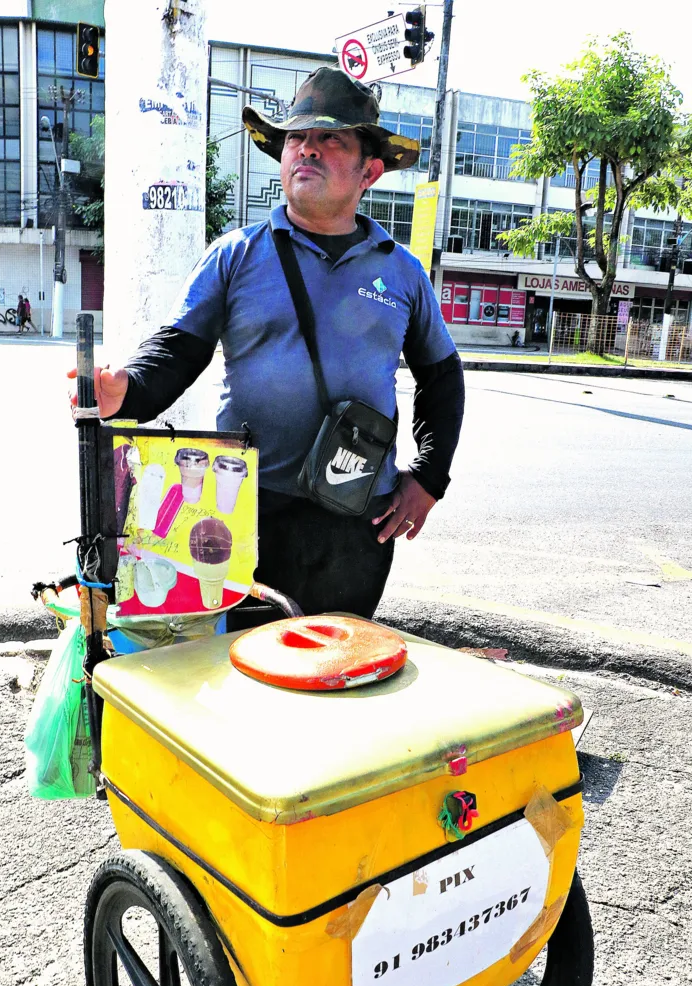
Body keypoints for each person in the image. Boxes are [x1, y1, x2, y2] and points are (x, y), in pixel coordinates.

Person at [72, 67, 464, 624]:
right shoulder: (235, 255)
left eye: (331, 139)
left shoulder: (401, 272)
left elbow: (443, 376)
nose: (307, 150)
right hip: (244, 510)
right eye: (297, 139)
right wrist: (124, 391)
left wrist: (429, 478)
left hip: (357, 517)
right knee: (240, 669)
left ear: (368, 171)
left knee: (338, 669)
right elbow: (179, 348)